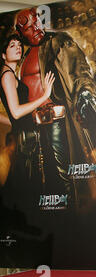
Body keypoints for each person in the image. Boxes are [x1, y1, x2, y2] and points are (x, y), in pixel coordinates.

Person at [13, 8, 96, 208]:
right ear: (21, 33)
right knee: (37, 181)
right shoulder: (20, 56)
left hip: (56, 120)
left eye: (37, 21)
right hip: (30, 124)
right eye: (29, 27)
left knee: (64, 178)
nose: (36, 27)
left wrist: (85, 93)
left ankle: (71, 222)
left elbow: (80, 71)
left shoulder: (57, 42)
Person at [0, 33, 54, 206]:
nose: (17, 47)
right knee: (24, 187)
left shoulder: (10, 75)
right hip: (25, 140)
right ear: (3, 55)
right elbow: (16, 112)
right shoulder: (7, 75)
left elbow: (11, 115)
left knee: (21, 186)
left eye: (18, 45)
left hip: (23, 135)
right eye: (11, 45)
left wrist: (19, 122)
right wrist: (44, 95)